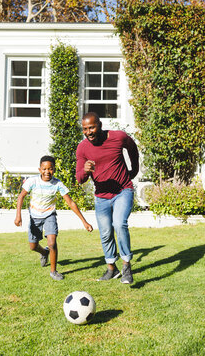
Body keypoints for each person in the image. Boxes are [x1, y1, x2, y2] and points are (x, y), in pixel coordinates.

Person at [76, 112, 139, 284]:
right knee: (105, 233)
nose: (88, 132)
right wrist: (86, 171)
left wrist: (134, 170)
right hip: (101, 197)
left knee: (119, 224)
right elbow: (80, 178)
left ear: (100, 125)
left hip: (122, 191)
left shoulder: (118, 137)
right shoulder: (82, 148)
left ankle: (126, 265)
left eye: (91, 127)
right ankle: (112, 268)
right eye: (85, 129)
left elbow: (132, 148)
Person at [15, 155, 93, 281]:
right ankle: (44, 253)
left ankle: (53, 271)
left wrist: (84, 222)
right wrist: (18, 215)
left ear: (54, 170)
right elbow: (21, 196)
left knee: (52, 242)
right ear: (39, 169)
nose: (47, 172)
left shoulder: (58, 184)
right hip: (34, 217)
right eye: (44, 169)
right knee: (33, 246)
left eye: (50, 169)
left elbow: (71, 203)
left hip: (49, 215)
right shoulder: (32, 181)